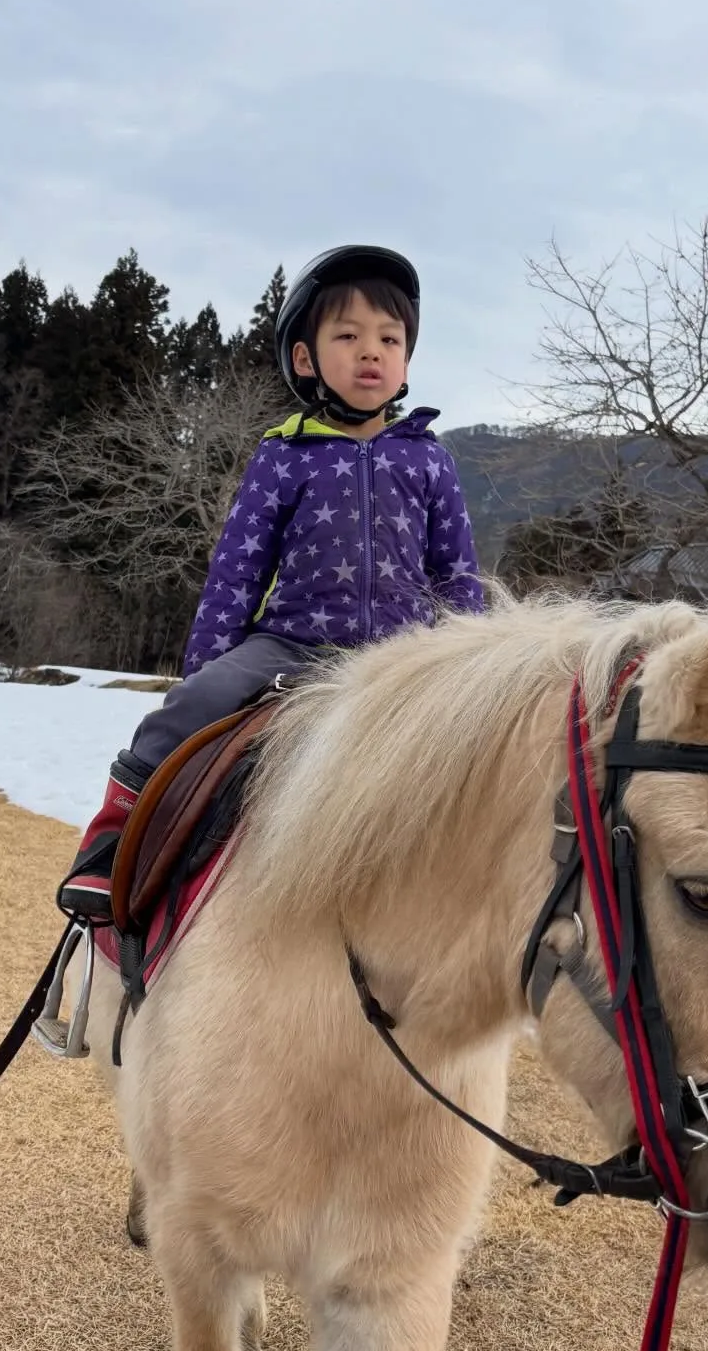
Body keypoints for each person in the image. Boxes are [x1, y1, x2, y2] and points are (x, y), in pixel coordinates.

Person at [58, 244, 485, 921]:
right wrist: (207, 673)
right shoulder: (284, 456)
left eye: (389, 338)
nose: (370, 351)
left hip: (407, 659)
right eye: (347, 336)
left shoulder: (429, 458)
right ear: (306, 359)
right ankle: (112, 848)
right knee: (179, 715)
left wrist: (474, 663)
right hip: (291, 643)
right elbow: (237, 572)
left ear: (406, 357)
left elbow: (457, 572)